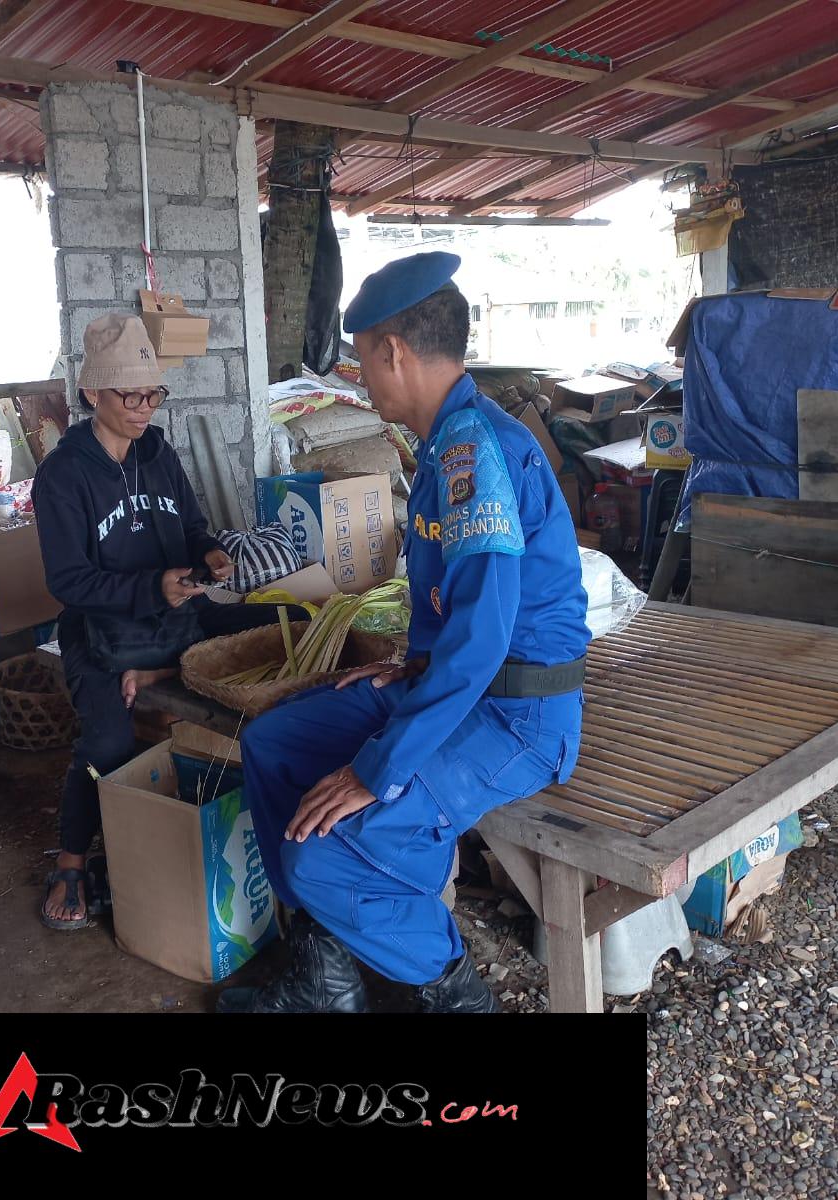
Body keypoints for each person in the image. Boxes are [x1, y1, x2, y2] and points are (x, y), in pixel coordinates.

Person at [219, 251, 591, 1014]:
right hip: (455, 686)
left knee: (332, 849)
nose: (360, 380)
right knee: (274, 745)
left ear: (395, 353)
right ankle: (329, 976)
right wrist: (410, 664)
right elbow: (458, 617)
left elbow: (486, 639)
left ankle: (458, 998)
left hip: (518, 717)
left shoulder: (472, 454)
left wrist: (375, 768)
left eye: (361, 363)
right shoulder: (443, 442)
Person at [32, 312, 285, 930]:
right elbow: (69, 583)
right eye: (131, 396)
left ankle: (157, 672)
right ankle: (69, 860)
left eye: (154, 394)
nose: (144, 408)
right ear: (93, 393)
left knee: (284, 624)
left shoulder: (158, 453)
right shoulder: (62, 477)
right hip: (102, 634)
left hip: (178, 617)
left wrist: (210, 554)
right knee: (108, 744)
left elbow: (193, 527)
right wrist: (152, 588)